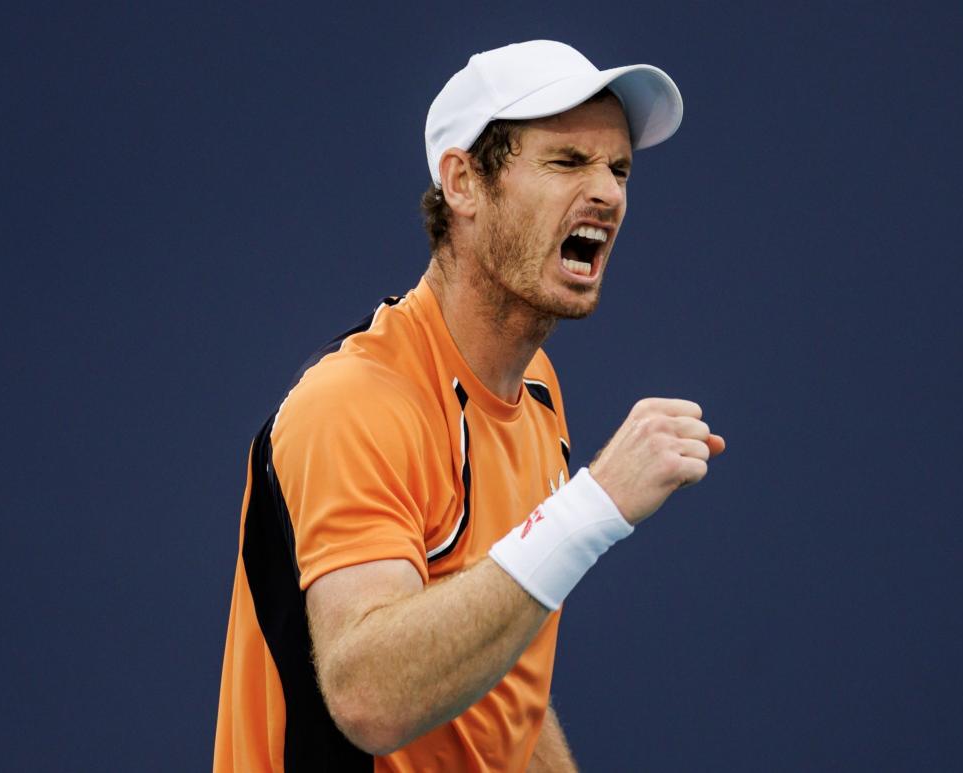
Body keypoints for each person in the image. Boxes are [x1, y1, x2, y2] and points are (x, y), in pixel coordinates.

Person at [214, 40, 726, 772]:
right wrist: (594, 505)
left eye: (618, 168)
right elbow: (369, 696)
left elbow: (492, 680)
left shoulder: (538, 390)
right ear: (464, 183)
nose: (609, 193)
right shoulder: (354, 402)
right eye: (567, 161)